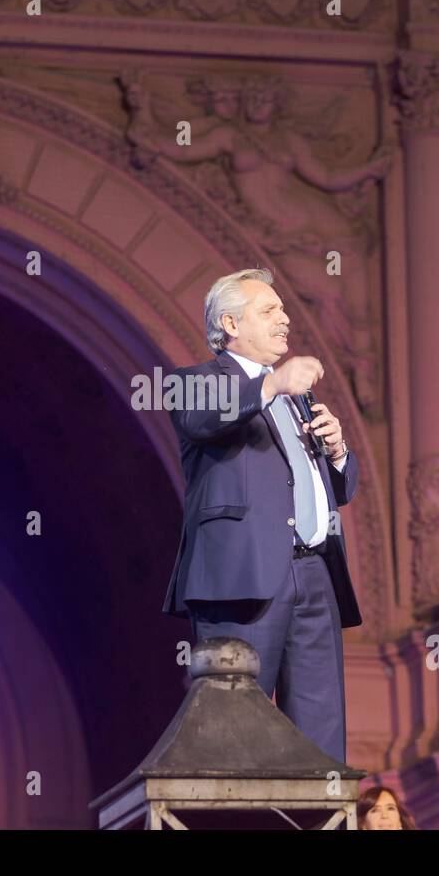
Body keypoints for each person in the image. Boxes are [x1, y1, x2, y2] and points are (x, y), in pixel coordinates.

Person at [163, 267, 361, 762]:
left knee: (321, 738)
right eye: (269, 310)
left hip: (315, 574)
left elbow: (332, 487)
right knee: (236, 732)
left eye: (283, 311)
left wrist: (337, 454)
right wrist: (270, 385)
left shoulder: (294, 399)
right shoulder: (193, 383)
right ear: (230, 323)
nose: (285, 320)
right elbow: (202, 421)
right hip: (241, 578)